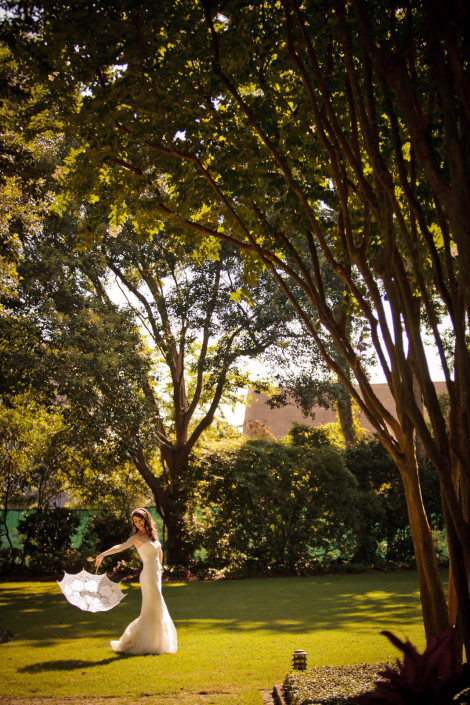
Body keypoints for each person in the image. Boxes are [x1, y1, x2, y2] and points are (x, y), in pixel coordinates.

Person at [95, 507, 177, 655]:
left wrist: (160, 565)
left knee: (157, 606)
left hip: (156, 574)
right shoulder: (136, 537)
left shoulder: (152, 535)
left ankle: (156, 642)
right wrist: (102, 555)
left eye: (140, 520)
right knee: (153, 606)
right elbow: (120, 547)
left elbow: (159, 550)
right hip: (147, 575)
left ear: (146, 519)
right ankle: (140, 641)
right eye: (135, 522)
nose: (138, 524)